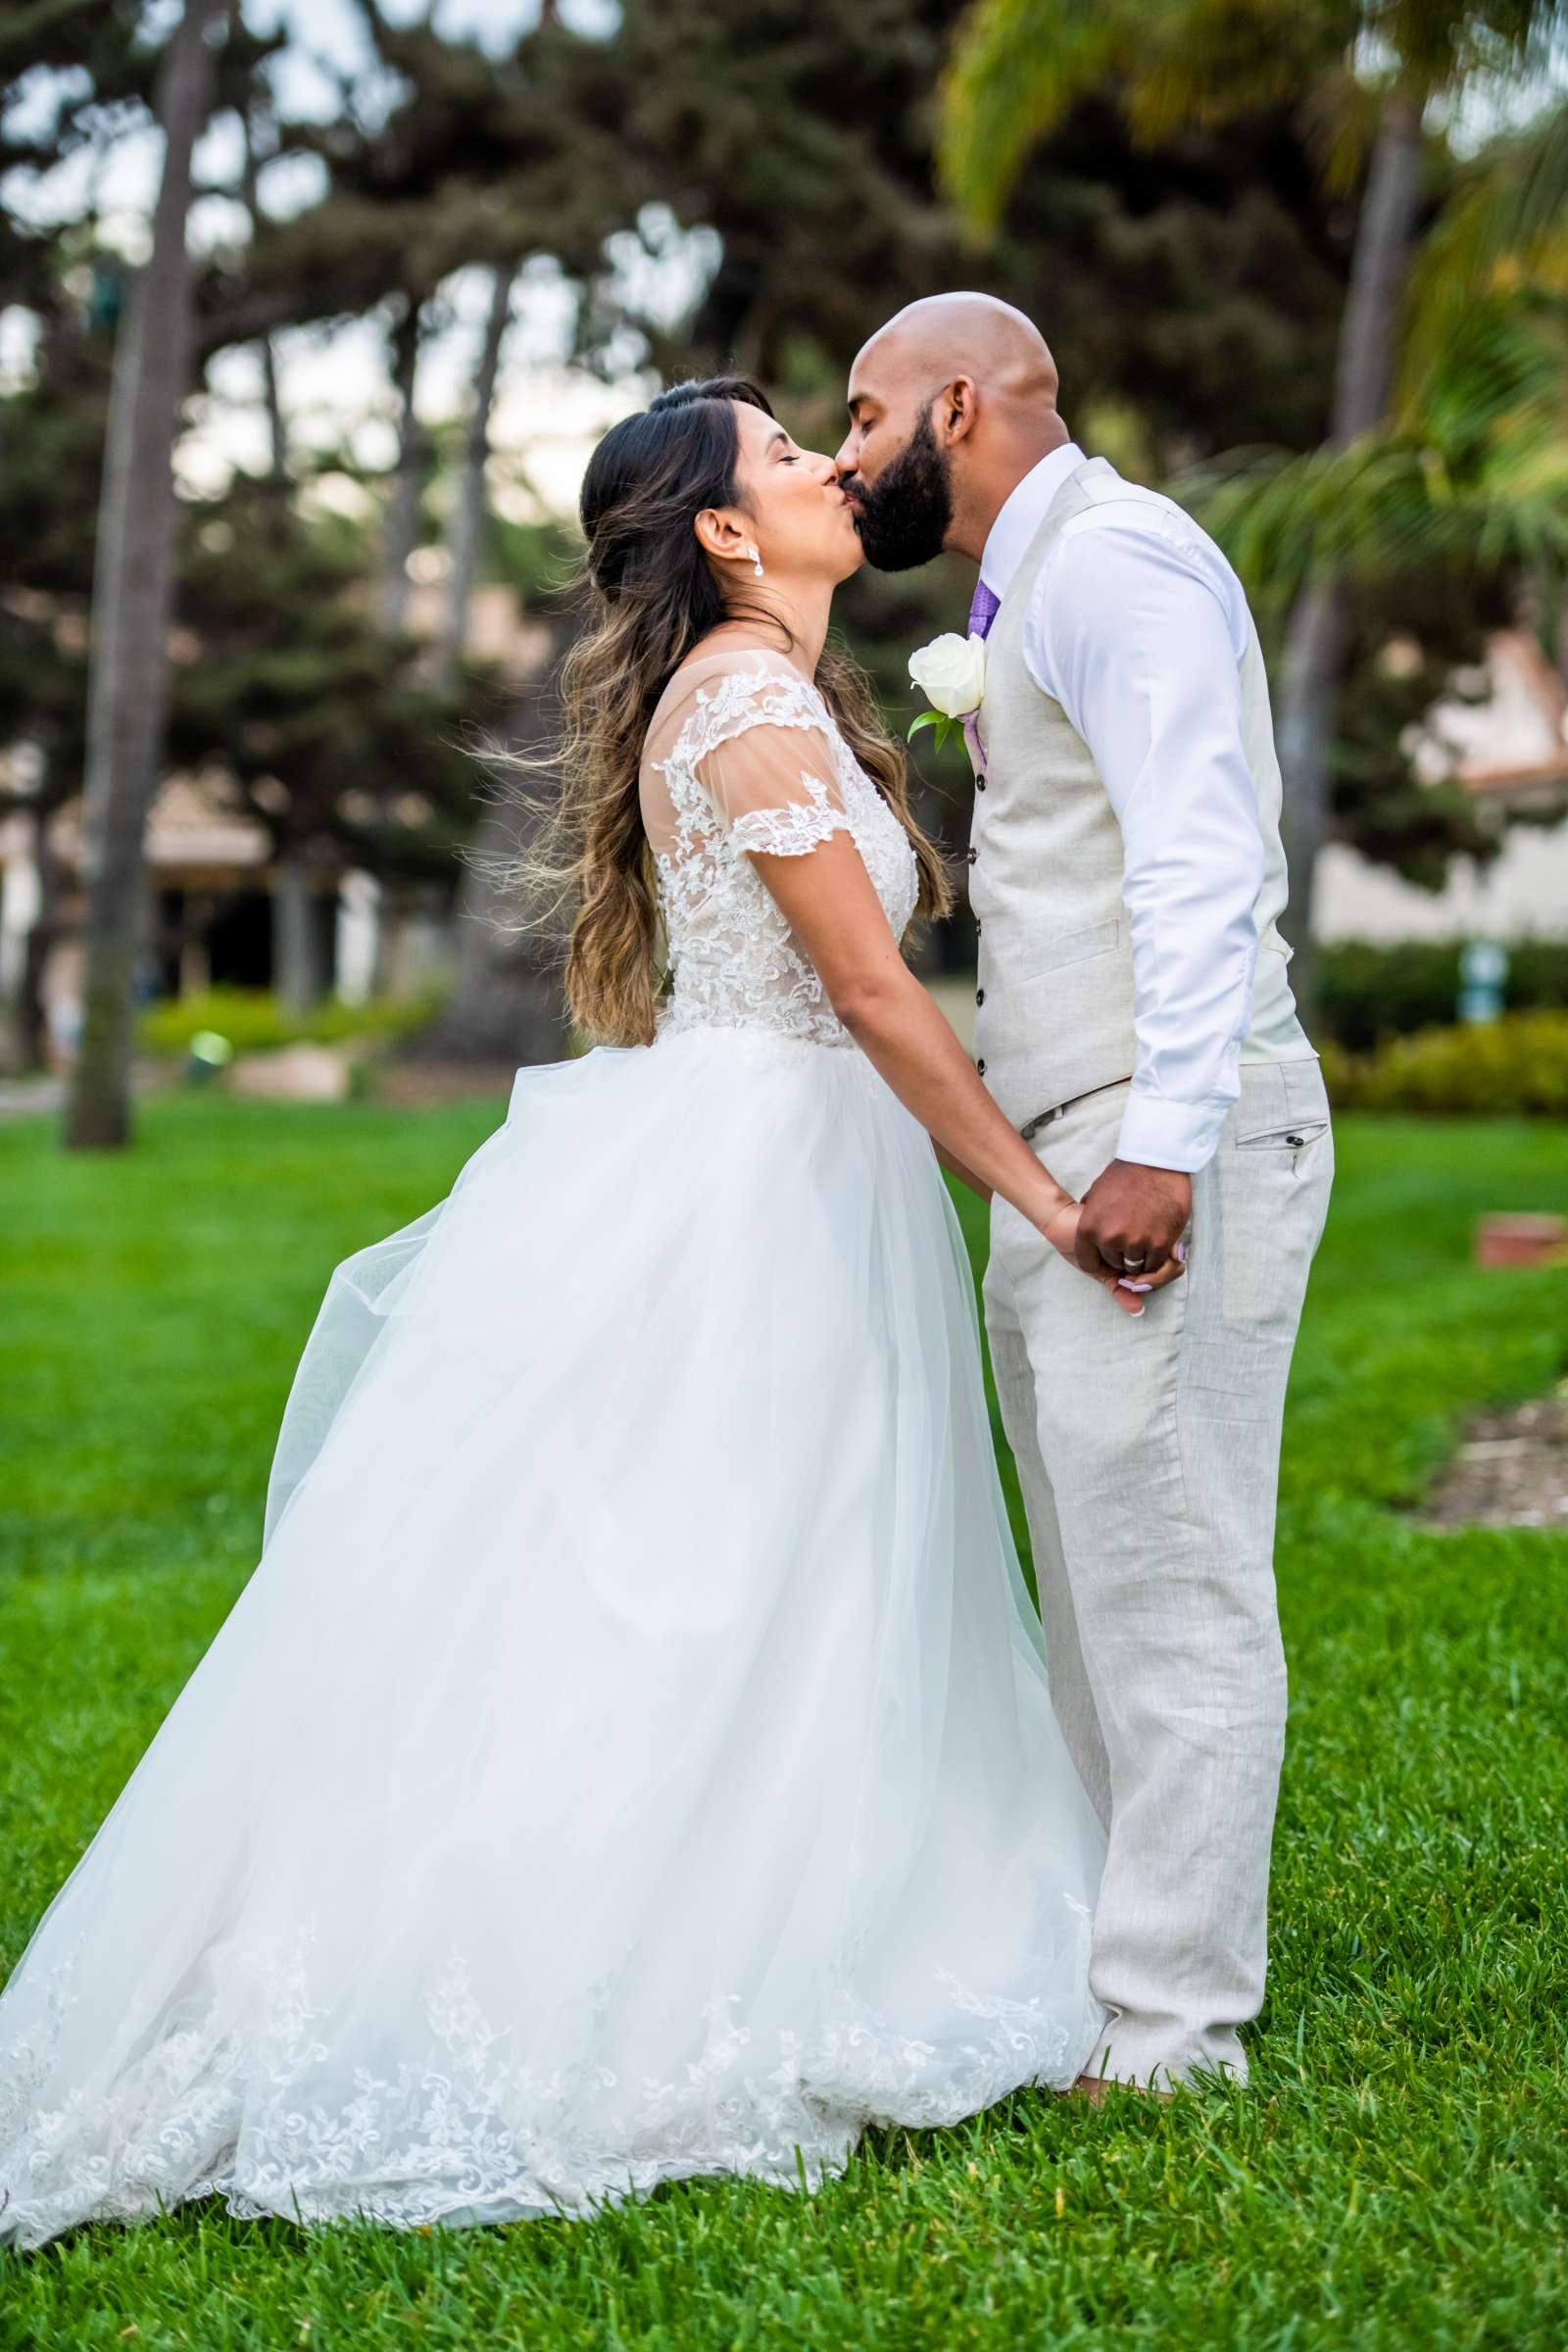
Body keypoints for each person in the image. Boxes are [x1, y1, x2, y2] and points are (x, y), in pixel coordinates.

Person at [0, 378, 1166, 2249]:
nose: (825, 466)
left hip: (780, 1158)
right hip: (758, 1180)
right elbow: (872, 1000)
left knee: (787, 1559)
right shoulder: (752, 704)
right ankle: (651, 1938)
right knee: (724, 1567)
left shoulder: (765, 695)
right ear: (720, 530)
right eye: (787, 453)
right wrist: (1043, 1197)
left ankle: (820, 1874)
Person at [838, 294, 1334, 2096]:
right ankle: (1117, 1961)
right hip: (1064, 1139)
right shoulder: (1030, 587)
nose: (844, 450)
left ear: (956, 406)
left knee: (1173, 1575)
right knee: (1093, 1564)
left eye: (866, 410)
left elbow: (1207, 859)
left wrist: (1164, 1143)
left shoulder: (1119, 563)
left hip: (1153, 1130)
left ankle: (1178, 2025)